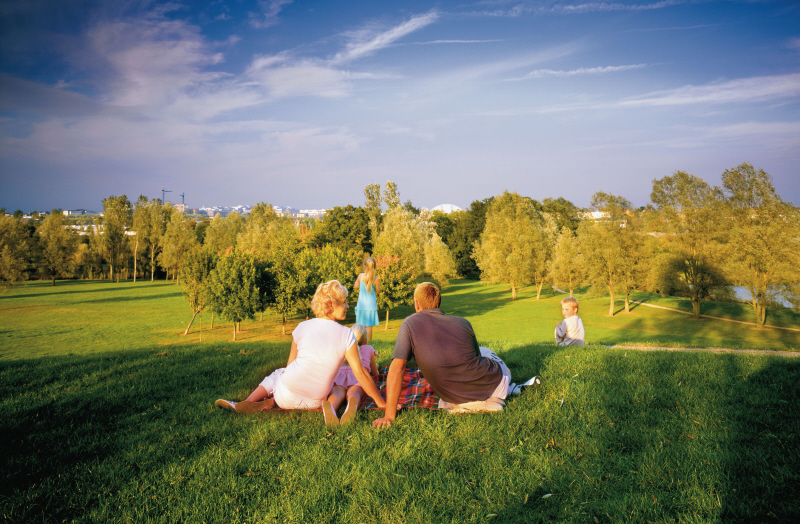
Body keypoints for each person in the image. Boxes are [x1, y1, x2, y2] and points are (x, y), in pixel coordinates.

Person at [372, 282, 540, 428]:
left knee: (483, 353)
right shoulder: (463, 322)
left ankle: (505, 390)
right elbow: (476, 356)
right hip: (490, 383)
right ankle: (510, 389)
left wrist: (389, 416)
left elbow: (396, 369)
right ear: (439, 302)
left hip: (452, 396)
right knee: (485, 351)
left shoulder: (409, 323)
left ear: (417, 304)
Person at [215, 280, 385, 415]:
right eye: (344, 302)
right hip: (316, 401)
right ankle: (265, 402)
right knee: (328, 385)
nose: (348, 306)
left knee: (278, 373)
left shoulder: (301, 327)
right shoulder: (347, 334)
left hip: (285, 396)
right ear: (331, 305)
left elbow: (290, 365)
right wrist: (381, 402)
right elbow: (361, 374)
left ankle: (251, 402)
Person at [324, 324, 379, 426]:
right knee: (354, 393)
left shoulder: (344, 348)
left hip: (340, 375)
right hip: (357, 375)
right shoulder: (369, 348)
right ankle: (352, 404)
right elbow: (375, 373)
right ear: (366, 340)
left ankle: (331, 405)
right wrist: (376, 366)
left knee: (337, 394)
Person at [353, 257, 380, 341]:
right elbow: (378, 291)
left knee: (359, 326)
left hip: (361, 304)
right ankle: (369, 343)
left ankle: (358, 342)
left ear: (364, 266)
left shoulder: (361, 276)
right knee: (369, 326)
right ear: (374, 267)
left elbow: (355, 286)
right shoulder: (376, 279)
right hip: (371, 305)